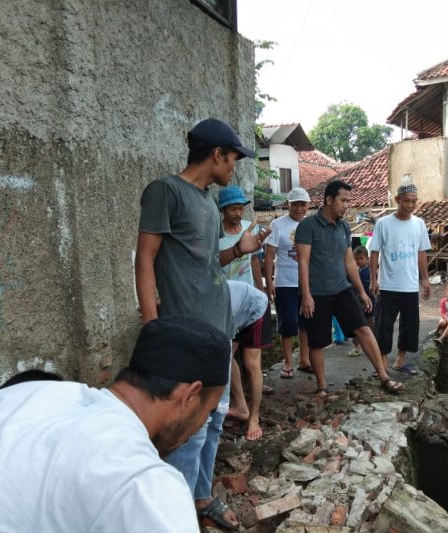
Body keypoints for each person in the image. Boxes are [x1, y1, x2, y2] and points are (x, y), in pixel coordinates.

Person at [0, 316, 231, 532]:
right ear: (190, 395)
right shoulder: (144, 481)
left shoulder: (32, 392)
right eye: (210, 410)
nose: (203, 423)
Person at [136, 117, 268, 530]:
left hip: (217, 325)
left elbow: (209, 264)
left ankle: (201, 496)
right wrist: (152, 325)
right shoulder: (165, 191)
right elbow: (145, 259)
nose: (234, 167)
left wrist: (240, 250)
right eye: (233, 158)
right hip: (185, 330)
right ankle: (173, 515)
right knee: (187, 429)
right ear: (216, 155)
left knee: (214, 417)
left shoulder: (209, 204)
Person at [296, 180, 403, 398]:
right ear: (328, 200)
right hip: (316, 294)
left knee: (363, 328)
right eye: (343, 201)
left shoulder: (344, 226)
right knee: (317, 342)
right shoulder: (308, 227)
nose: (347, 205)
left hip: (342, 290)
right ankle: (322, 386)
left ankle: (383, 376)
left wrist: (362, 292)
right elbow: (303, 262)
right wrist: (306, 295)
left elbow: (349, 262)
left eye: (348, 201)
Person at [218, 185, 271, 442]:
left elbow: (254, 263)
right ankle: (240, 404)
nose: (238, 213)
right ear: (223, 210)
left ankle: (254, 417)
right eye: (233, 208)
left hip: (253, 304)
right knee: (227, 356)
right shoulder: (216, 236)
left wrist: (263, 292)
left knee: (252, 363)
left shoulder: (251, 229)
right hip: (229, 305)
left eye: (240, 208)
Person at [369, 183, 432, 375]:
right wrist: (373, 279)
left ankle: (400, 360)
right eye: (406, 201)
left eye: (414, 201)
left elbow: (421, 253)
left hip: (410, 285)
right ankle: (382, 364)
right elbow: (374, 252)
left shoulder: (419, 224)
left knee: (410, 324)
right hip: (388, 284)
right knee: (383, 325)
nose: (410, 205)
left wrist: (425, 279)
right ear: (397, 200)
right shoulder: (383, 223)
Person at [263, 187, 312, 379]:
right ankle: (288, 362)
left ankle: (305, 360)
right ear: (288, 205)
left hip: (307, 282)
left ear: (308, 205)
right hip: (285, 282)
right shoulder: (278, 225)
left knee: (306, 322)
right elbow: (269, 256)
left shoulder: (311, 224)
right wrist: (270, 282)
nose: (299, 208)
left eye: (303, 204)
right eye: (295, 204)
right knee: (288, 323)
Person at [349, 246, 374, 357]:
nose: (359, 261)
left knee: (370, 324)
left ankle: (373, 346)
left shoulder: (371, 273)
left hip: (369, 303)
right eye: (356, 259)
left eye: (361, 258)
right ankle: (356, 347)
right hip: (357, 303)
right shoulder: (353, 272)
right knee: (357, 325)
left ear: (367, 259)